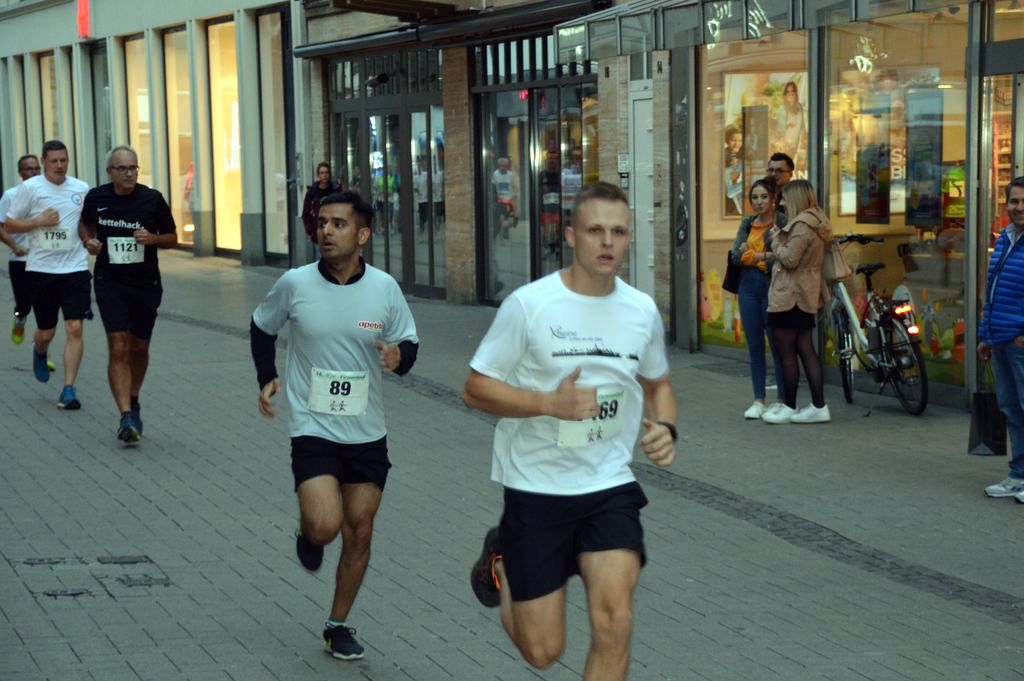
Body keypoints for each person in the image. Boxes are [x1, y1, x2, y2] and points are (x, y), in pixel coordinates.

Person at [462, 181, 678, 681]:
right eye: (596, 230)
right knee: (543, 651)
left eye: (618, 232)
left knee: (615, 621)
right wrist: (549, 404)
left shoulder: (641, 311)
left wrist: (666, 426)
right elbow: (474, 389)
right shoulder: (530, 305)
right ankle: (502, 561)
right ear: (572, 236)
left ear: (629, 239)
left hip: (608, 485)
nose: (607, 242)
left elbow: (659, 383)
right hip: (536, 487)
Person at [250, 190, 419, 661]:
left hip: (367, 431)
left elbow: (409, 344)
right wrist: (267, 377)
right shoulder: (295, 283)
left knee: (359, 531)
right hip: (313, 426)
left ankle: (337, 624)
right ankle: (309, 534)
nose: (326, 231)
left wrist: (398, 357)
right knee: (326, 526)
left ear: (362, 235)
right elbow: (262, 326)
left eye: (338, 224)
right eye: (322, 222)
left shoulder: (384, 288)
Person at [79, 146, 178, 445]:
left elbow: (173, 238)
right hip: (110, 282)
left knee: (139, 347)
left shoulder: (152, 199)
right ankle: (125, 416)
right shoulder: (97, 197)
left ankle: (133, 399)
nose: (129, 173)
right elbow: (85, 225)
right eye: (122, 168)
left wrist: (153, 238)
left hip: (145, 283)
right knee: (119, 346)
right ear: (110, 172)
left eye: (133, 168)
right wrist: (88, 241)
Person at [4, 140, 91, 410]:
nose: (60, 166)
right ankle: (39, 350)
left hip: (75, 268)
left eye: (64, 160)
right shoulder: (30, 188)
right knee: (46, 332)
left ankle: (68, 389)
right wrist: (37, 222)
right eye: (54, 161)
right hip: (41, 270)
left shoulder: (81, 188)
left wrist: (89, 240)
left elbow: (85, 223)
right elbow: (9, 224)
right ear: (44, 162)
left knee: (74, 327)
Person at [763, 179, 831, 424]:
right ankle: (818, 406)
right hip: (805, 292)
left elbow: (790, 259)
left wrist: (775, 240)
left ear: (795, 199)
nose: (781, 203)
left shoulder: (803, 224)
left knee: (787, 351)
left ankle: (790, 406)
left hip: (791, 294)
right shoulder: (817, 220)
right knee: (804, 348)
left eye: (784, 198)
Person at [980, 176, 1024, 499]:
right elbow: (992, 291)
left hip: (1019, 340)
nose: (1019, 207)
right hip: (1001, 339)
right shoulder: (1005, 239)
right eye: (1014, 201)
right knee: (1011, 408)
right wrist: (985, 334)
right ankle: (1019, 475)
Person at [730, 176, 786, 419]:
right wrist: (762, 256)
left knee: (777, 344)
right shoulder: (747, 223)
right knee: (754, 344)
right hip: (748, 285)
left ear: (773, 199)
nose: (759, 201)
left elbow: (783, 255)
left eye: (764, 197)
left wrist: (754, 255)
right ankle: (758, 399)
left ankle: (783, 400)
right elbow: (735, 256)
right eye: (755, 198)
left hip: (773, 284)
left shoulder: (783, 222)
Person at [0, 154, 42, 345]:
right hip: (20, 260)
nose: (34, 172)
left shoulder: (48, 193)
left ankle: (41, 350)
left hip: (45, 260)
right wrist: (14, 245)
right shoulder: (10, 195)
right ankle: (19, 319)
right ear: (20, 172)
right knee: (23, 305)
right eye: (29, 169)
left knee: (44, 307)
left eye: (36, 168)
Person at [302, 162, 339, 244]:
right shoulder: (312, 192)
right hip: (317, 233)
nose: (324, 175)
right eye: (322, 173)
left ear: (329, 174)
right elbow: (305, 213)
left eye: (326, 173)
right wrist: (310, 230)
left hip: (334, 232)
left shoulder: (336, 190)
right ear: (318, 175)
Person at [491, 157, 519, 240]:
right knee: (501, 218)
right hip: (499, 201)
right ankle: (500, 235)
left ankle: (505, 229)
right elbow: (493, 187)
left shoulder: (511, 175)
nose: (503, 168)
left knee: (511, 221)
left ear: (507, 166)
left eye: (505, 166)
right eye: (501, 166)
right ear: (499, 166)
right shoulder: (495, 174)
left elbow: (514, 188)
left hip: (509, 201)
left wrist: (515, 201)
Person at [724, 127, 744, 216]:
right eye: (733, 140)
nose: (737, 144)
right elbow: (729, 192)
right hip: (729, 204)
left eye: (740, 140)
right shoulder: (724, 156)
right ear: (727, 141)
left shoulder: (742, 155)